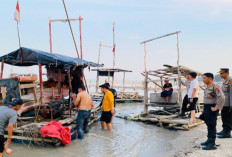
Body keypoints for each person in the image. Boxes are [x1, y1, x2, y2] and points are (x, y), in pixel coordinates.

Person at [201, 73, 225, 150]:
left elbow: (222, 97)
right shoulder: (208, 87)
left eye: (204, 78)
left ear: (210, 78)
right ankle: (209, 140)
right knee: (208, 124)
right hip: (207, 108)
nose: (203, 80)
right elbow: (207, 98)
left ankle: (212, 144)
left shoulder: (215, 86)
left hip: (212, 108)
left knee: (211, 125)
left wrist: (217, 107)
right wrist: (204, 109)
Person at [217, 68, 232, 138]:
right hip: (224, 103)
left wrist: (231, 104)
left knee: (227, 118)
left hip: (228, 104)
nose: (220, 74)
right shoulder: (224, 81)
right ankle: (224, 130)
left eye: (221, 73)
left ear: (226, 73)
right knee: (224, 117)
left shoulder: (230, 81)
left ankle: (227, 133)